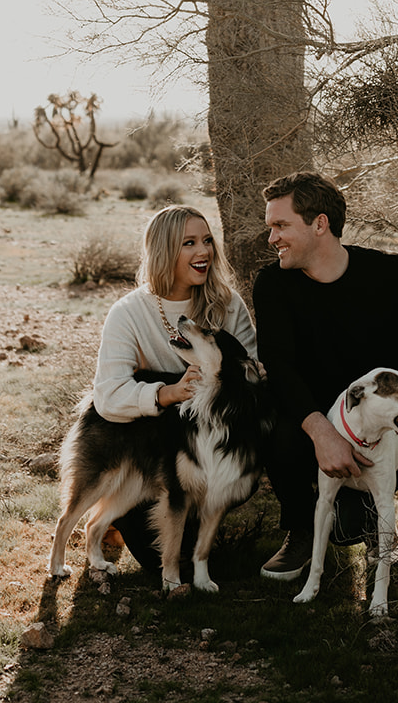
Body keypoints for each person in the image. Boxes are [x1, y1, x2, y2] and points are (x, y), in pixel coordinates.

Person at [252, 171, 398, 581]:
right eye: (270, 227)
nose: (271, 238)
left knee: (349, 526)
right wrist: (323, 432)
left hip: (378, 430)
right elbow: (279, 368)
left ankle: (376, 531)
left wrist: (393, 402)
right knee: (272, 416)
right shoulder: (274, 284)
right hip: (308, 423)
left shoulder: (394, 275)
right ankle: (301, 529)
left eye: (280, 225)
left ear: (319, 224)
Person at [91, 203, 256, 568]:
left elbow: (250, 378)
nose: (204, 252)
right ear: (164, 250)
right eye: (189, 244)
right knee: (157, 562)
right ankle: (124, 519)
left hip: (210, 448)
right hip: (148, 455)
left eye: (207, 240)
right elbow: (108, 396)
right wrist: (166, 393)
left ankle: (202, 517)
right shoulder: (129, 312)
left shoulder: (228, 305)